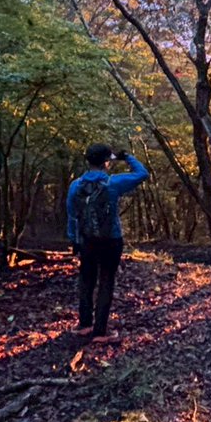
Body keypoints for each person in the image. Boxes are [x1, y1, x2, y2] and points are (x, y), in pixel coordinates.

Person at [66, 143, 148, 343]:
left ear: (88, 161)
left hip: (87, 240)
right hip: (111, 240)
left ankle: (84, 325)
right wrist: (126, 156)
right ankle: (101, 331)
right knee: (106, 282)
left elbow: (72, 216)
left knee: (86, 280)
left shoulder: (75, 185)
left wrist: (74, 240)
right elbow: (142, 174)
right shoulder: (113, 183)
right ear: (106, 162)